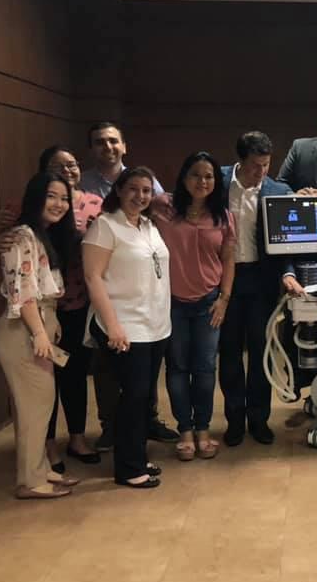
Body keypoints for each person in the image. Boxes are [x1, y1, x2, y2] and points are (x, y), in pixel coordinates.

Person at [0, 146, 103, 473]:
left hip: (68, 310)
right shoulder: (23, 226)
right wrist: (40, 332)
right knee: (39, 396)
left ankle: (66, 447)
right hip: (32, 320)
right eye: (58, 168)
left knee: (67, 381)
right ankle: (41, 460)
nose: (59, 202)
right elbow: (20, 284)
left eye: (72, 165)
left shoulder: (87, 207)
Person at [78, 122, 176, 450]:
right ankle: (125, 450)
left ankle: (138, 441)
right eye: (133, 189)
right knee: (124, 388)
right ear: (119, 191)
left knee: (142, 390)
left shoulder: (148, 224)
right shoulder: (104, 222)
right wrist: (113, 326)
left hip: (153, 323)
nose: (141, 196)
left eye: (146, 191)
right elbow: (93, 276)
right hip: (121, 320)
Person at [0, 172, 80, 498]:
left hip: (38, 324)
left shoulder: (40, 234)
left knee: (38, 404)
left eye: (64, 198)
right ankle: (30, 481)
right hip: (23, 330)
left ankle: (40, 469)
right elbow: (24, 292)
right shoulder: (21, 236)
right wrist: (40, 333)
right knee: (35, 406)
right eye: (51, 196)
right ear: (35, 197)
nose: (59, 204)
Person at [219, 131, 303, 447]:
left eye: (267, 165)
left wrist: (288, 274)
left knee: (261, 351)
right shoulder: (218, 182)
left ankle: (258, 419)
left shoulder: (278, 191)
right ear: (240, 161)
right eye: (256, 165)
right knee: (229, 352)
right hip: (225, 279)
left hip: (262, 280)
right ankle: (234, 420)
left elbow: (286, 242)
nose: (262, 172)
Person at [151, 152, 236, 461]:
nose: (202, 181)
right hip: (171, 304)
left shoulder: (223, 216)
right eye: (196, 175)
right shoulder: (163, 206)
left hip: (209, 303)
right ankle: (184, 430)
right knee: (177, 368)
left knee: (205, 368)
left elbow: (228, 260)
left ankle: (203, 429)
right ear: (184, 177)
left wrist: (224, 299)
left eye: (209, 176)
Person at [79, 121, 165, 199]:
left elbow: (163, 208)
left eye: (113, 141)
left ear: (124, 147)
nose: (108, 147)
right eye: (100, 143)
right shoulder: (80, 183)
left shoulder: (146, 180)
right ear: (90, 150)